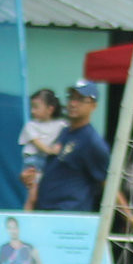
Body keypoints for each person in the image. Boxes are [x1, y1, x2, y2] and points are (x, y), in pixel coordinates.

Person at [28, 80, 109, 213]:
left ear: (93, 106)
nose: (73, 103)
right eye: (71, 98)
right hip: (46, 211)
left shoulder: (92, 141)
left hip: (69, 215)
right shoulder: (64, 131)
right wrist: (31, 176)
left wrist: (130, 217)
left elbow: (107, 181)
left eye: (81, 99)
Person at [19, 88, 64, 169]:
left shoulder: (61, 124)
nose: (32, 111)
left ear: (50, 109)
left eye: (36, 107)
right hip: (33, 159)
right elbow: (37, 143)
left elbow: (62, 140)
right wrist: (50, 151)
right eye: (32, 107)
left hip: (49, 160)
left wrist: (57, 150)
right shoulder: (30, 125)